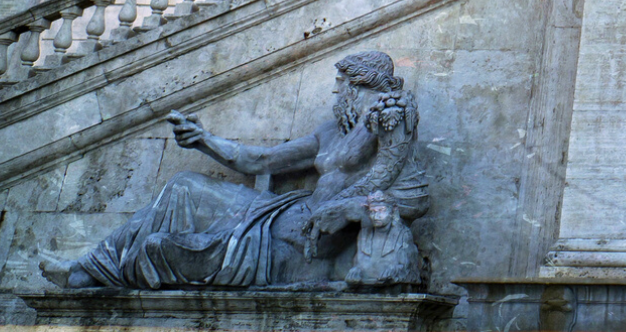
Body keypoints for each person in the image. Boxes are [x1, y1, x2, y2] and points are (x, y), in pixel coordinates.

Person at [40, 51, 427, 290]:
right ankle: (88, 269)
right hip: (291, 212)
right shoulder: (330, 130)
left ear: (359, 84)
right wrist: (203, 139)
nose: (335, 93)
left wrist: (340, 208)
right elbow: (260, 161)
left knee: (169, 229)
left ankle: (89, 272)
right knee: (183, 186)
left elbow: (394, 180)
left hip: (312, 233)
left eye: (340, 84)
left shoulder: (390, 115)